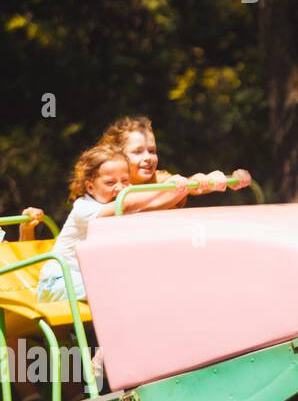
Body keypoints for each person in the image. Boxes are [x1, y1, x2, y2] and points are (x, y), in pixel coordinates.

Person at [35, 145, 188, 303]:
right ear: (90, 187)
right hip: (57, 282)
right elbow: (127, 203)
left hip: (88, 281)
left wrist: (181, 188)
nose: (120, 188)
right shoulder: (84, 207)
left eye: (125, 181)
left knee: (142, 280)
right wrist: (166, 186)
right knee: (120, 286)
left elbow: (155, 205)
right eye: (110, 183)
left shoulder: (119, 209)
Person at [99, 115, 251, 209]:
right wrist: (183, 186)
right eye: (138, 152)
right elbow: (136, 204)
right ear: (117, 156)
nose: (148, 157)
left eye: (152, 151)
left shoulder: (159, 178)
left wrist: (223, 180)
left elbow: (187, 185)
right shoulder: (110, 187)